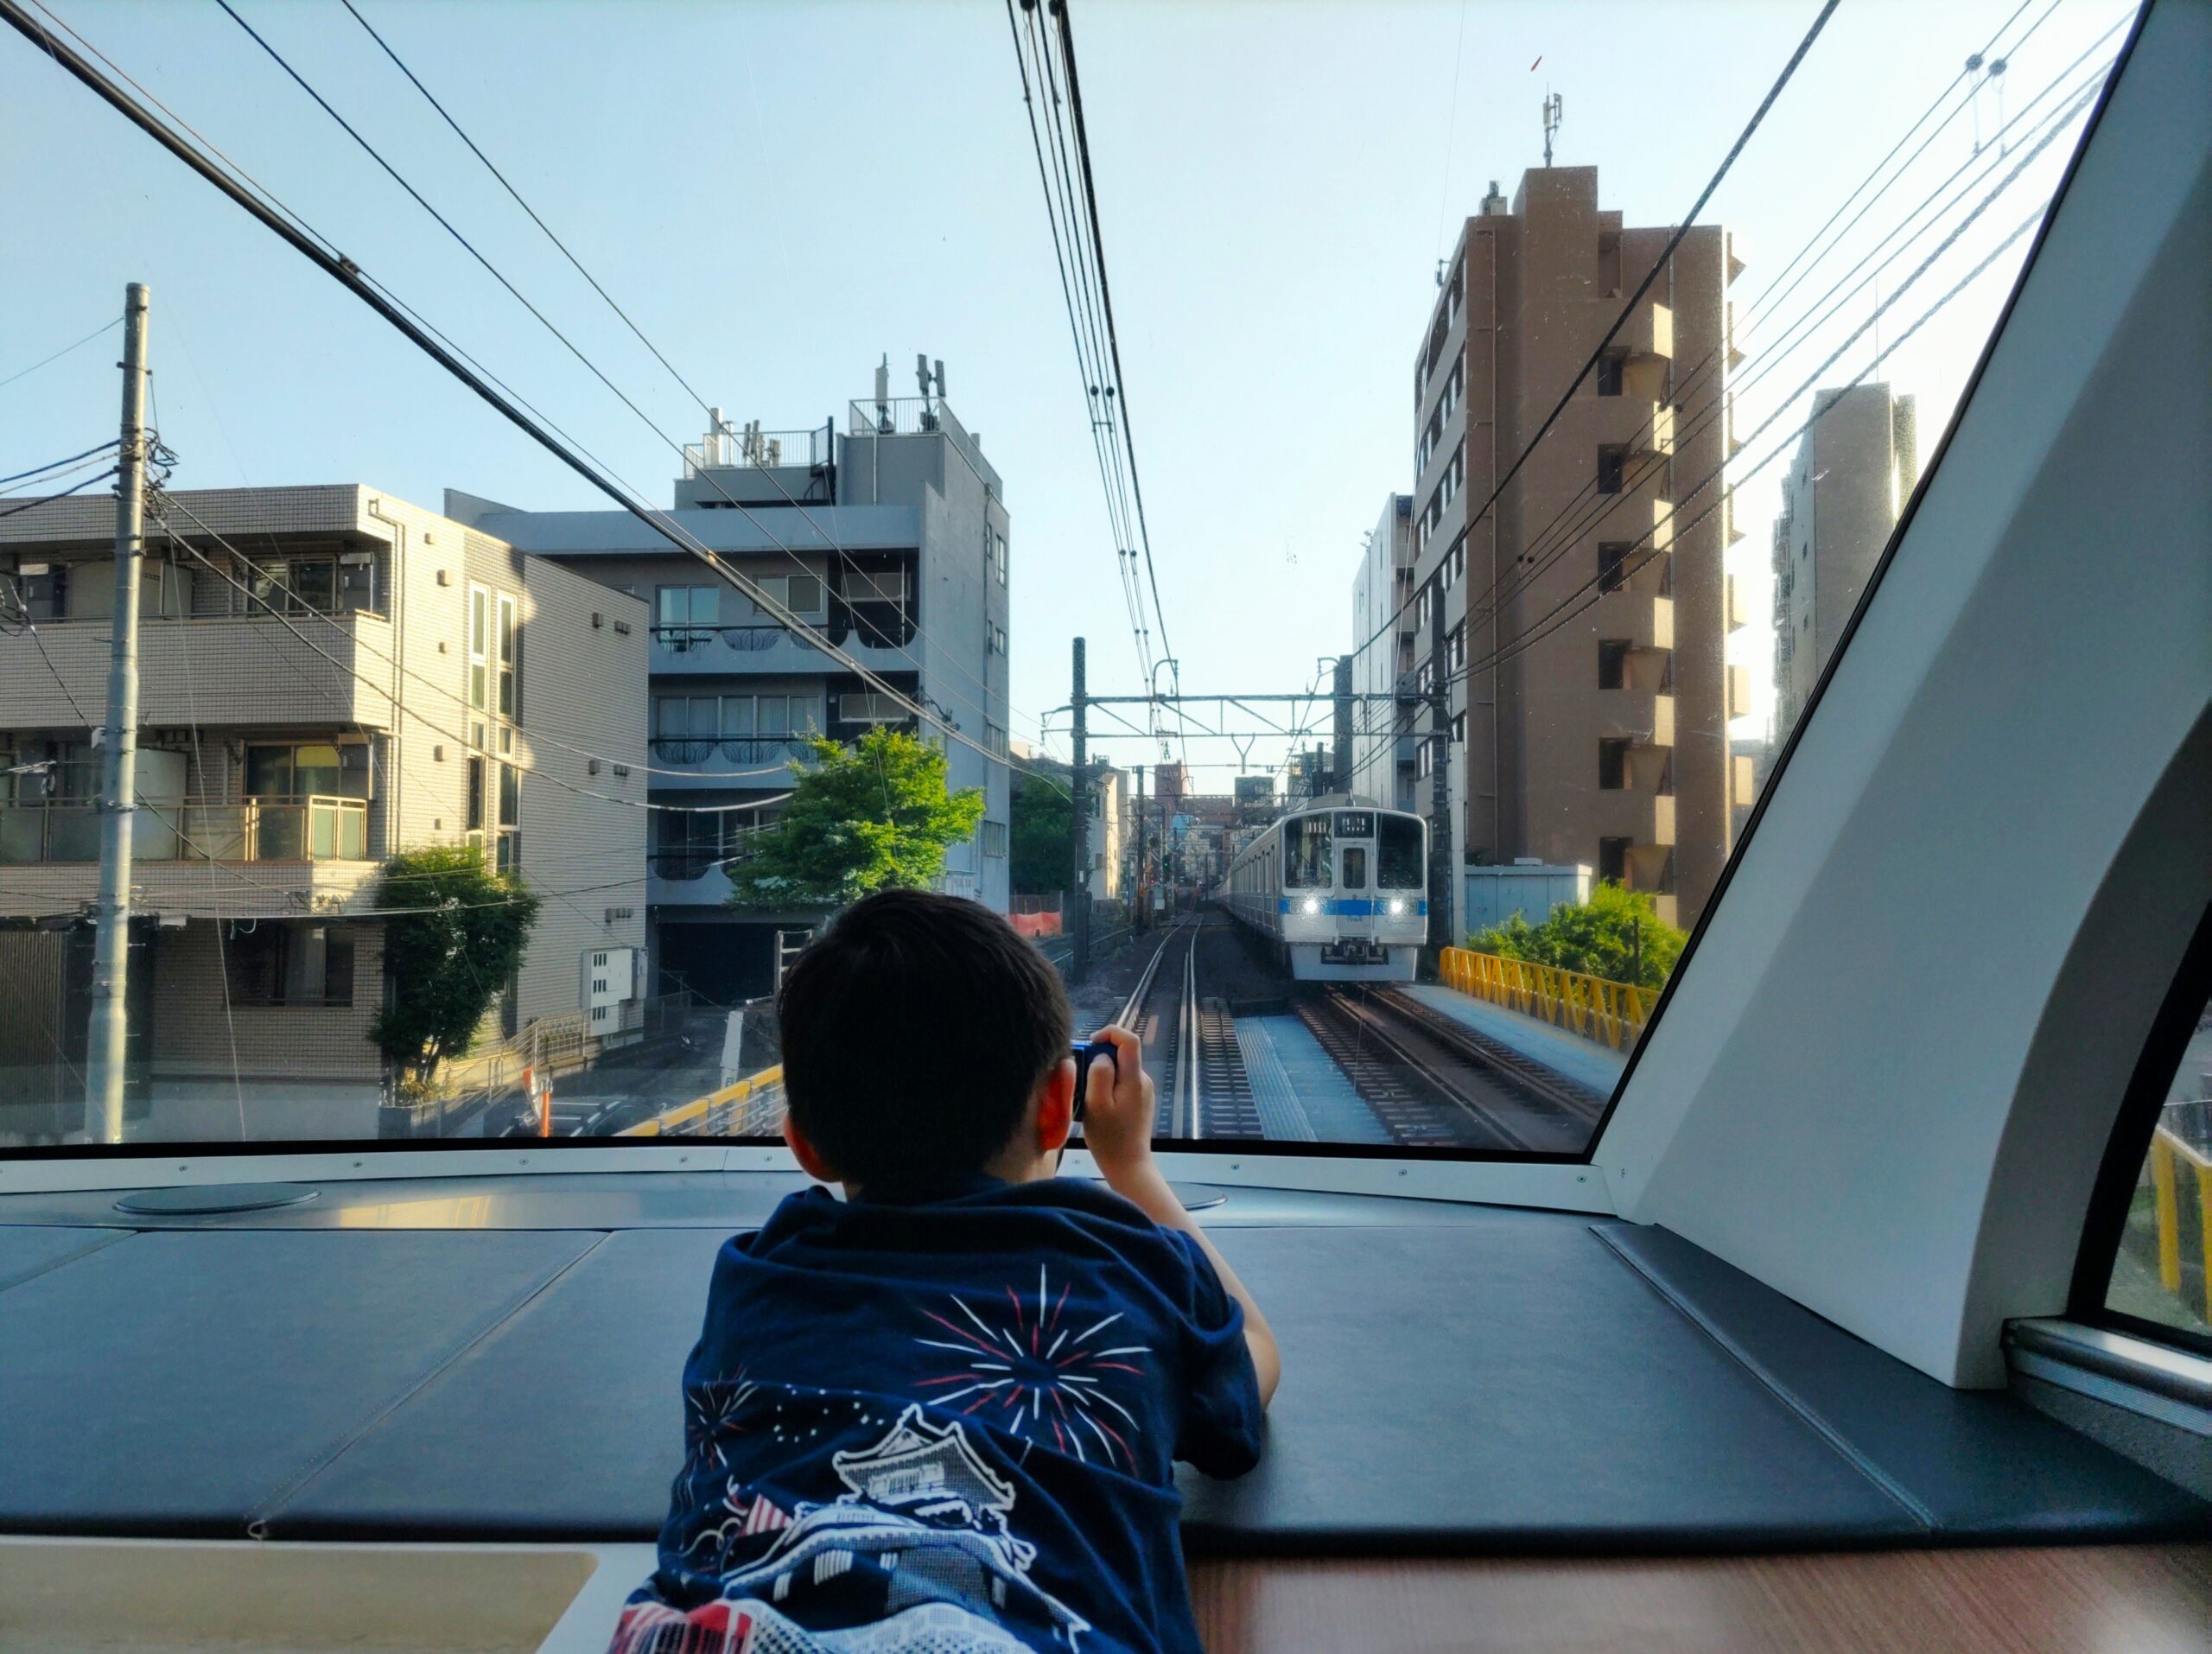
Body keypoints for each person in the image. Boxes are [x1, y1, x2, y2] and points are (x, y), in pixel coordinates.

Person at [608, 887, 1280, 1654]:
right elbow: (1251, 1374)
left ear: (804, 1144)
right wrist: (1131, 1166)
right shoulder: (1128, 1265)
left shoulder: (760, 1275)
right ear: (1060, 1107)